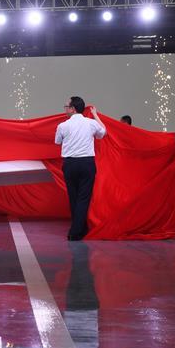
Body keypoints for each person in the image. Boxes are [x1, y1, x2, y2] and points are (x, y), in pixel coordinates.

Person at [55, 96, 106, 240]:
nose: (64, 109)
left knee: (74, 197)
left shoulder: (62, 126)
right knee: (83, 198)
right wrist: (95, 115)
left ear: (73, 109)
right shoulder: (91, 123)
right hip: (86, 164)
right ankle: (79, 230)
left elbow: (57, 141)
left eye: (66, 107)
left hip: (70, 164)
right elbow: (103, 132)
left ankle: (76, 231)